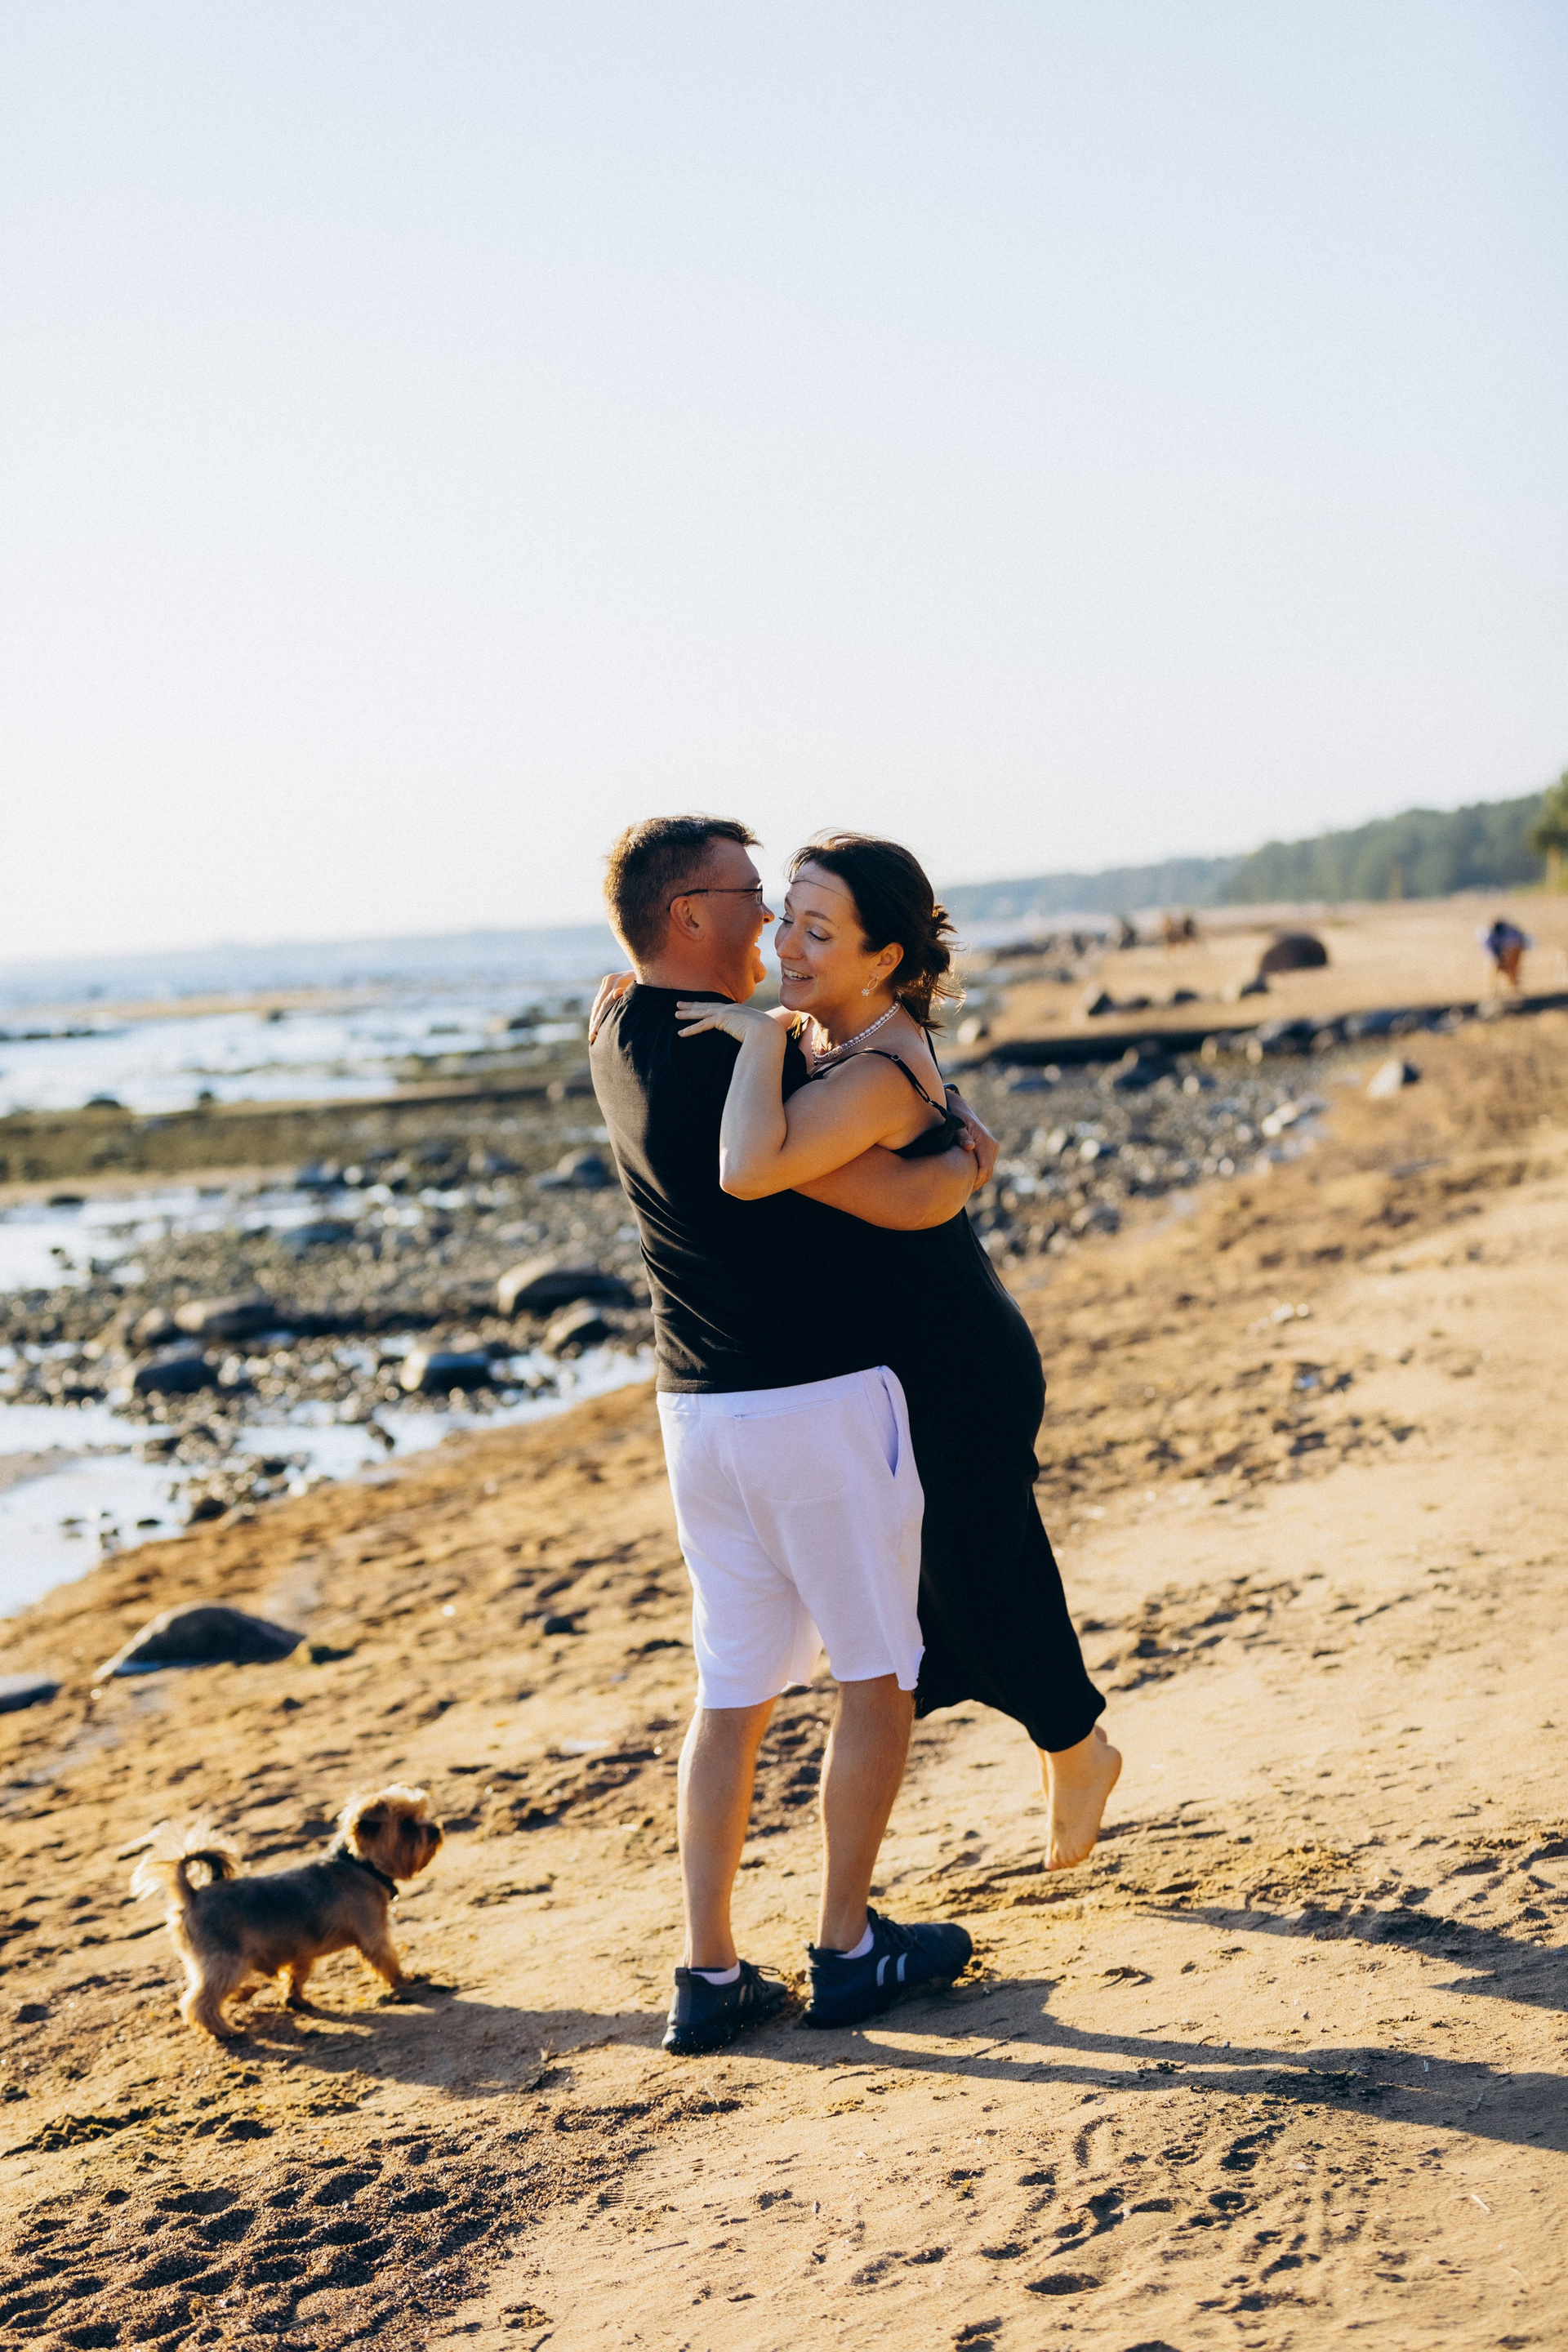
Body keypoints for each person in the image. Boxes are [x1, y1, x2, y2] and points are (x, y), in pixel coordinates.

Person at [589, 815, 991, 2056]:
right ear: (688, 914)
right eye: (749, 896)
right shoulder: (746, 1060)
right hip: (812, 1403)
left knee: (731, 1693)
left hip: (695, 1414)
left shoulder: (615, 1024)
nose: (767, 919)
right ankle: (847, 1949)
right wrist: (960, 1165)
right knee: (876, 1677)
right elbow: (892, 1191)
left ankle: (708, 1972)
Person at [673, 832, 1119, 1869]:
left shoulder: (873, 1068)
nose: (786, 944)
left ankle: (1077, 1748)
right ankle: (1072, 1747)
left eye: (818, 932)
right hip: (904, 1362)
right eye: (787, 919)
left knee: (974, 1576)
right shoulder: (844, 1036)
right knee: (966, 1570)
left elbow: (750, 1170)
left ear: (883, 958)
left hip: (953, 1362)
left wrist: (758, 1046)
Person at [1479, 916, 1529, 991]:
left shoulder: (1511, 933)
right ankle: (1493, 988)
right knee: (1495, 966)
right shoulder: (1489, 937)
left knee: (1512, 968)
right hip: (1498, 954)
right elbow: (1491, 951)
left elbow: (1518, 944)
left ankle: (1513, 985)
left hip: (1510, 953)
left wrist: (1509, 958)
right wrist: (1499, 959)